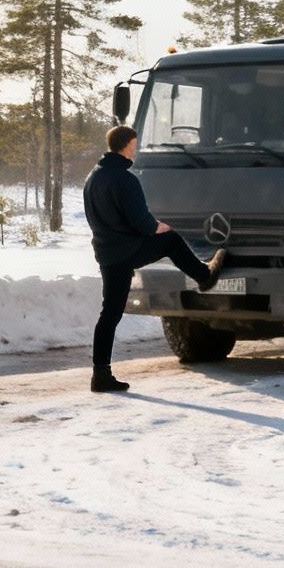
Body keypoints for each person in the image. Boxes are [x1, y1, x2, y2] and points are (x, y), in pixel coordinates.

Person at [82, 125, 226, 392]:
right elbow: (141, 222)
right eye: (134, 145)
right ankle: (204, 276)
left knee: (109, 314)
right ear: (126, 146)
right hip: (126, 251)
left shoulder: (94, 177)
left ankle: (100, 374)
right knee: (171, 239)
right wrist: (155, 226)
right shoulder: (125, 179)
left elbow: (100, 217)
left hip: (107, 253)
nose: (135, 150)